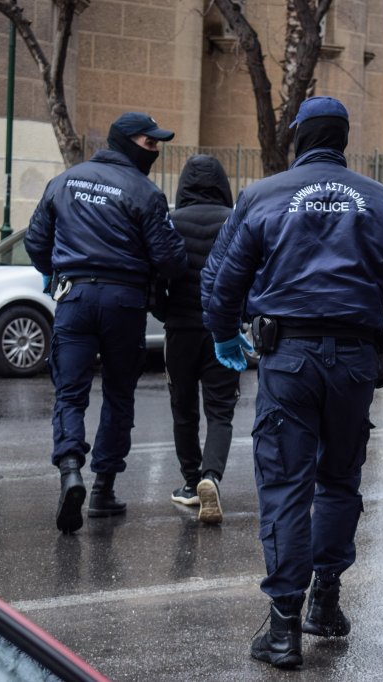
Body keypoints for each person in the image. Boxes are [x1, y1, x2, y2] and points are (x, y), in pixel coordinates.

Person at [201, 95, 383, 670]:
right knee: (338, 481)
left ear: (299, 137)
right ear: (344, 140)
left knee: (285, 486)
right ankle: (325, 602)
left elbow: (221, 282)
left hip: (289, 360)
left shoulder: (261, 196)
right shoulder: (382, 202)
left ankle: (282, 630)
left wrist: (225, 335)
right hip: (354, 362)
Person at [26, 112, 186, 535]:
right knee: (118, 395)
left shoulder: (65, 181)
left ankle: (70, 470)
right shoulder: (146, 192)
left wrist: (56, 270)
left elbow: (36, 241)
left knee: (70, 392)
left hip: (74, 298)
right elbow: (170, 259)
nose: (154, 149)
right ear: (124, 142)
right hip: (123, 301)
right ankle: (103, 489)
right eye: (148, 142)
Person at [159, 155, 241, 524]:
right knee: (221, 409)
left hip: (180, 331)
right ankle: (212, 476)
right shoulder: (235, 221)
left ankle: (191, 483)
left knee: (183, 407)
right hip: (222, 331)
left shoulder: (171, 222)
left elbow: (155, 273)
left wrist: (165, 312)